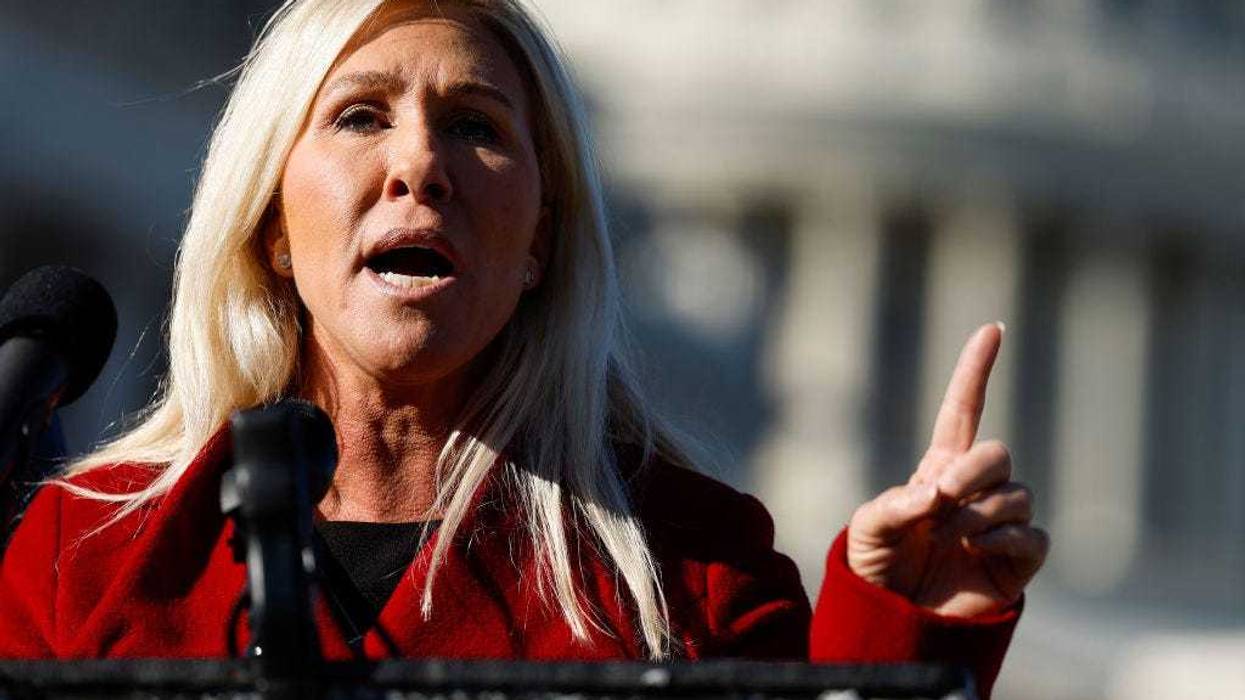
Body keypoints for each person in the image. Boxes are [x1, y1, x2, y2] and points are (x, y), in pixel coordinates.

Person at [0, 1, 1047, 696]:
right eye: (361, 115)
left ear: (542, 240)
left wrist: (910, 635)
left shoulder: (693, 572)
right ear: (274, 223)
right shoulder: (80, 560)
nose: (420, 164)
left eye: (477, 128)